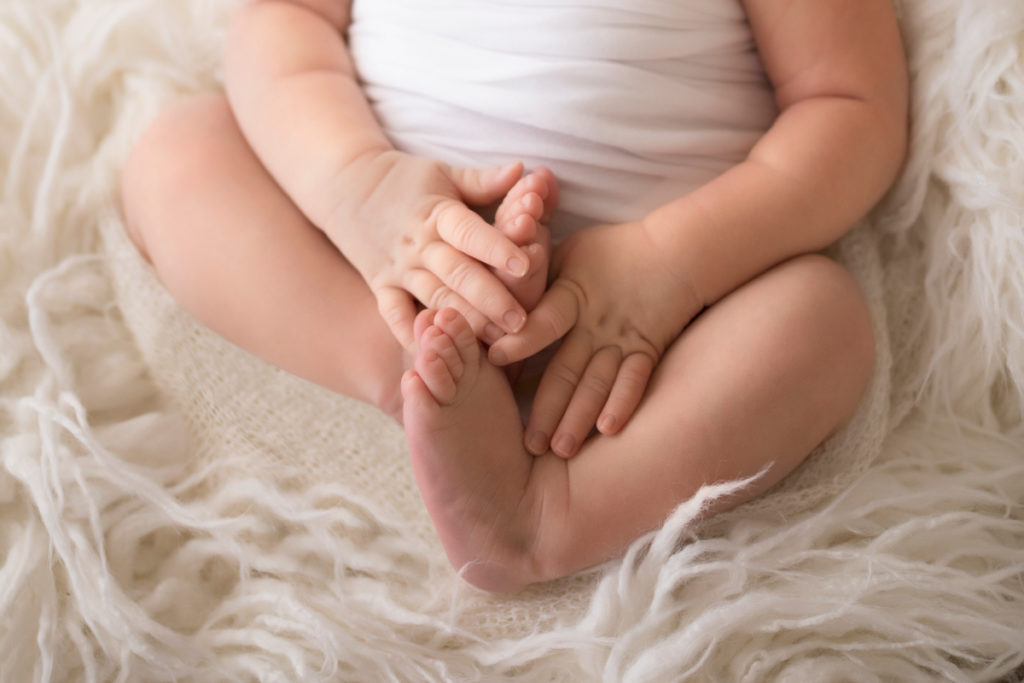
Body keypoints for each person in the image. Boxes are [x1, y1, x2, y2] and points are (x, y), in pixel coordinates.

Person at [120, 0, 908, 592]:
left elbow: (850, 105)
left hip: (652, 316)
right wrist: (353, 182)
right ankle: (410, 365)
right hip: (385, 255)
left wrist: (675, 260)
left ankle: (544, 515)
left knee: (819, 318)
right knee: (176, 154)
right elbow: (282, 21)